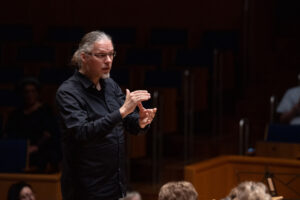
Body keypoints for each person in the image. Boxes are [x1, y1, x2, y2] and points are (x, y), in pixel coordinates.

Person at [56, 31, 157, 200]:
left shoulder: (110, 85)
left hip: (115, 184)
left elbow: (125, 122)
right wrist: (123, 111)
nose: (108, 60)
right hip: (86, 189)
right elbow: (82, 132)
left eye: (111, 54)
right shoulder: (68, 93)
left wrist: (139, 121)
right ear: (84, 57)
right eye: (101, 55)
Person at [4, 77, 61, 172]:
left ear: (37, 93)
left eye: (33, 91)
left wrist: (36, 147)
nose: (29, 95)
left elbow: (51, 134)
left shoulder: (46, 111)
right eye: (26, 92)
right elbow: (9, 134)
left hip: (41, 151)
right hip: (19, 151)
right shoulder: (16, 114)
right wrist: (22, 149)